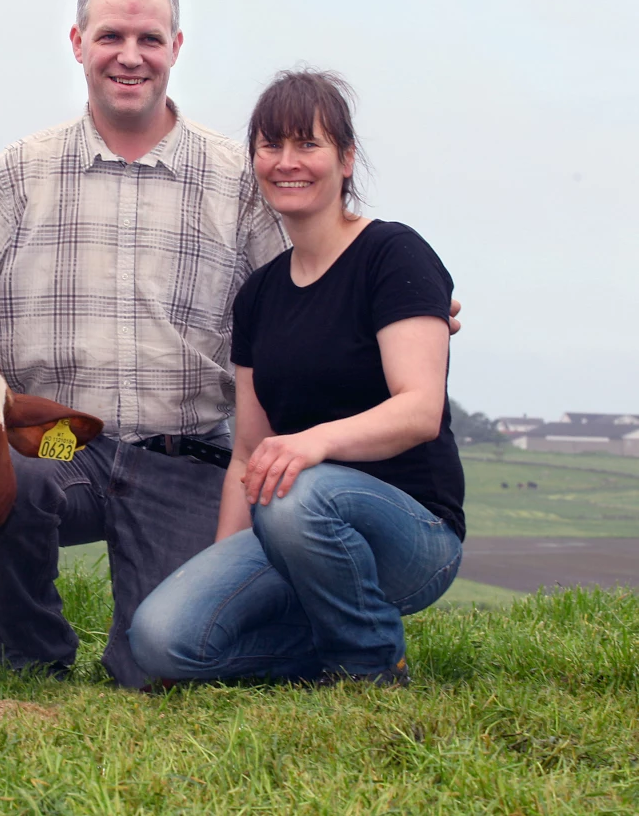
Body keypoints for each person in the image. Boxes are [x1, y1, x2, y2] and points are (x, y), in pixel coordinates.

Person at [0, 0, 290, 687]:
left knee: (160, 664)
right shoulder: (21, 172)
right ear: (77, 42)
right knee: (7, 482)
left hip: (184, 456)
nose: (130, 56)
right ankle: (34, 656)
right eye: (111, 36)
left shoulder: (233, 180)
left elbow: (301, 303)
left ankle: (146, 648)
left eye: (149, 38)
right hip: (55, 448)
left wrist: (395, 309)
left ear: (177, 48)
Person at [127, 69, 464, 686]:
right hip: (291, 525)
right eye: (270, 146)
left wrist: (313, 444)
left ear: (346, 159)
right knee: (160, 643)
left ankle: (371, 667)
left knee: (297, 491)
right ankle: (327, 644)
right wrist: (220, 569)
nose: (288, 162)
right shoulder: (259, 295)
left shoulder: (393, 255)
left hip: (411, 531)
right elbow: (248, 454)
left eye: (308, 144)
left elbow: (420, 410)